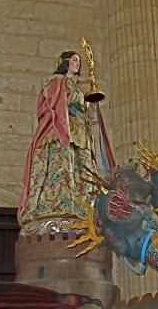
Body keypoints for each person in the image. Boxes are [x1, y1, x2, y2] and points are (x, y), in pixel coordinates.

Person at [18, 51, 99, 230]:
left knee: (84, 171)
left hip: (81, 134)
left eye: (79, 61)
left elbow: (91, 118)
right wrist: (75, 84)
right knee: (62, 166)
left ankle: (84, 207)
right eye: (75, 60)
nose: (78, 63)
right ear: (65, 62)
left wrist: (92, 97)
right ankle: (59, 205)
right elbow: (53, 100)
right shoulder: (55, 80)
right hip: (60, 129)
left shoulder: (78, 88)